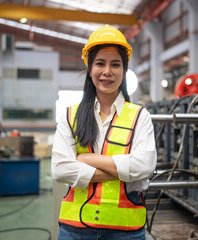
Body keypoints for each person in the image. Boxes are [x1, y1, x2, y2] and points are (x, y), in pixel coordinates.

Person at [51, 25, 157, 240]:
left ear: (124, 71)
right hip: (75, 229)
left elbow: (144, 167)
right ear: (90, 69)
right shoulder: (70, 115)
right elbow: (61, 170)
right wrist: (120, 172)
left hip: (125, 230)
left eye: (115, 64)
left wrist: (88, 158)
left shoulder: (140, 116)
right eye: (100, 63)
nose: (107, 71)